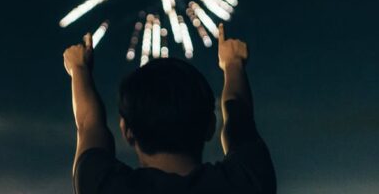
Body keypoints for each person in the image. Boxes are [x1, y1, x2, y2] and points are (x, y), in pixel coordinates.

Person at [63, 23, 276, 194]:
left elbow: (89, 124)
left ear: (127, 132)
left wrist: (79, 68)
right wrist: (233, 63)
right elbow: (240, 119)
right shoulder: (248, 182)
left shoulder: (103, 186)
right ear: (210, 126)